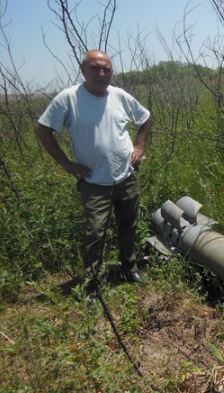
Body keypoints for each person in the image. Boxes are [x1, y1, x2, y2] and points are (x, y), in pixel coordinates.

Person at [36, 49, 152, 287]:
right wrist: (65, 163)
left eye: (106, 69)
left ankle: (129, 268)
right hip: (94, 182)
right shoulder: (69, 98)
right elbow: (42, 129)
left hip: (126, 176)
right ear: (83, 70)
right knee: (95, 233)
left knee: (128, 225)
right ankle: (92, 284)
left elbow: (145, 118)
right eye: (95, 68)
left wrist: (139, 146)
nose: (102, 73)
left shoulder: (119, 95)